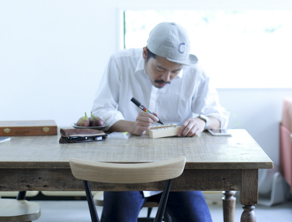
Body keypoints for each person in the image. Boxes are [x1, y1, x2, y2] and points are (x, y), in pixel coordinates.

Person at [91, 21, 229, 222]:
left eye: (176, 71)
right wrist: (132, 126)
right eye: (160, 68)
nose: (167, 77)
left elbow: (219, 115)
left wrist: (202, 121)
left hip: (177, 170)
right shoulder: (120, 62)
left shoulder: (196, 72)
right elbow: (101, 110)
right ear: (145, 53)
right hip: (127, 168)